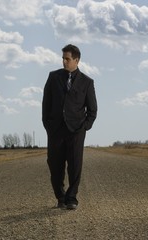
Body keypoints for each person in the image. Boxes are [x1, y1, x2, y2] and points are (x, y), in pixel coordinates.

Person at [42, 44, 97, 210]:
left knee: (75, 166)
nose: (64, 62)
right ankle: (60, 197)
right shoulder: (53, 77)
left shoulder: (87, 82)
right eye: (63, 58)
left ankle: (72, 198)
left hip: (76, 131)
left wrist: (84, 127)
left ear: (76, 60)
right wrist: (48, 126)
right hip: (56, 130)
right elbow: (46, 104)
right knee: (54, 164)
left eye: (67, 59)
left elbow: (92, 109)